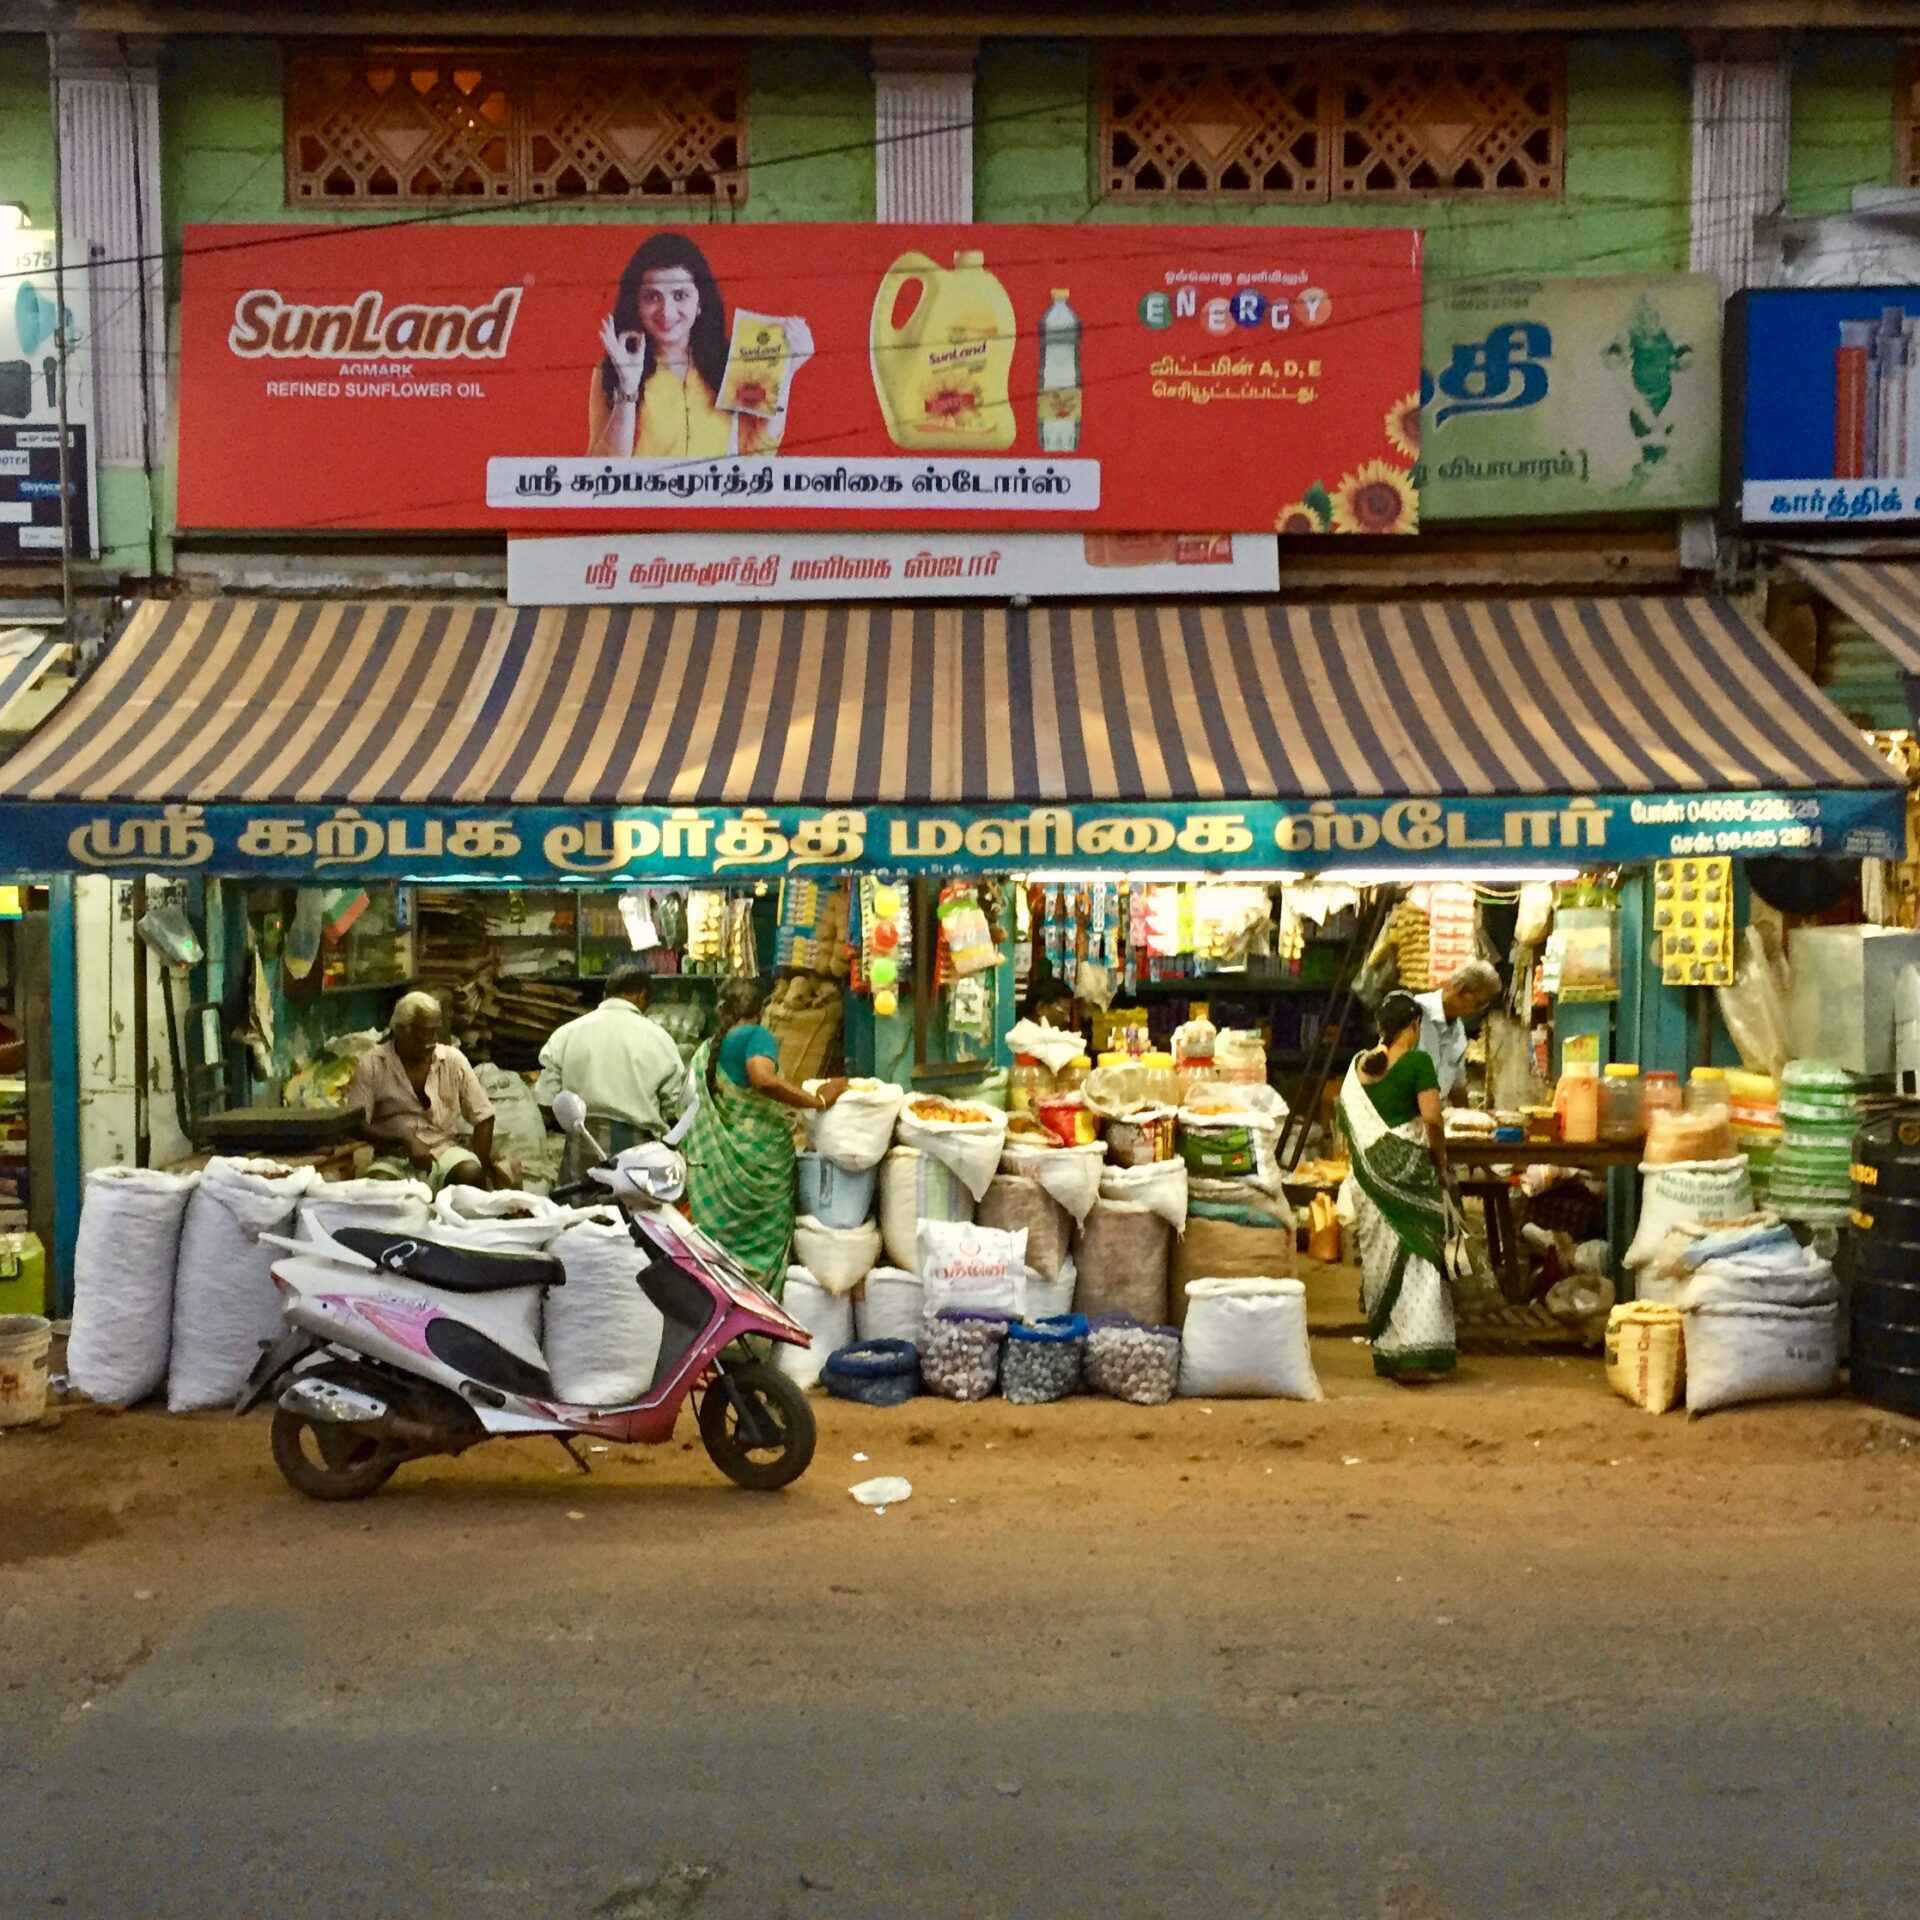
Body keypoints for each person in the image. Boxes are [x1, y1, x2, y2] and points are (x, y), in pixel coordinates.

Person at [681, 980, 847, 1292]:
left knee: (726, 1247)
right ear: (760, 1010)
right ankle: (761, 1307)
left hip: (722, 1170)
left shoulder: (707, 1049)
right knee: (763, 1239)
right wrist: (818, 1100)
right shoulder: (756, 1035)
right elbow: (762, 1078)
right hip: (759, 1165)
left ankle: (726, 1299)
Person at [587, 231, 810, 459]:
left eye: (680, 295)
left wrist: (784, 375)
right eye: (652, 297)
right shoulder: (611, 370)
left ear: (700, 302)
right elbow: (603, 470)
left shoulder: (731, 362)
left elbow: (756, 457)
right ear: (636, 303)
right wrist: (627, 388)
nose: (667, 311)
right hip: (644, 495)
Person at [1337, 990, 1461, 1383]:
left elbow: (1348, 1127)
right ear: (1414, 1026)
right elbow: (1433, 1119)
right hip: (1410, 1177)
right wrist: (1439, 1162)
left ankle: (1391, 1353)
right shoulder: (1418, 1063)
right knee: (1422, 1260)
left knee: (1379, 1264)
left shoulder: (1358, 1067)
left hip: (1369, 1184)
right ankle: (1421, 1355)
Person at [535, 966, 686, 1178]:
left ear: (606, 994)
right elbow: (675, 1107)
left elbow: (546, 1099)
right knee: (634, 1209)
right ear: (642, 995)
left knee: (581, 1210)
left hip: (581, 1148)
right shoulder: (659, 1039)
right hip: (638, 1153)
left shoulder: (566, 1034)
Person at [346, 991, 504, 1194]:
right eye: (425, 1033)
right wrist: (403, 1139)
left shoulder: (453, 1060)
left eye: (435, 1032)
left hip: (444, 1152)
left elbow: (484, 1117)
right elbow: (355, 1124)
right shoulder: (373, 1063)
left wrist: (481, 1167)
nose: (432, 1040)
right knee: (377, 1189)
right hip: (393, 1157)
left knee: (470, 1174)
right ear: (401, 1030)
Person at [1414, 959, 1502, 1106]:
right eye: (1479, 1002)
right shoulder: (1415, 1013)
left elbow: (1457, 1086)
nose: (1478, 1009)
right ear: (1460, 988)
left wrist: (1468, 1118)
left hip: (1436, 1116)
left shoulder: (1458, 1029)